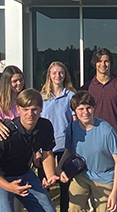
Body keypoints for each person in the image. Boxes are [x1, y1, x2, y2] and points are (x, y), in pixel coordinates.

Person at [0, 89, 59, 212]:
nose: (30, 114)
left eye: (34, 109)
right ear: (18, 110)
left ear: (41, 108)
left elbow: (47, 153)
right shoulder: (5, 133)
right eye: (25, 109)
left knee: (48, 210)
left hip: (25, 174)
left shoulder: (45, 126)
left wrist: (50, 176)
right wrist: (9, 187)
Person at [58, 91, 117, 212]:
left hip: (105, 176)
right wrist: (59, 168)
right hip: (81, 173)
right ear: (75, 111)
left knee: (106, 209)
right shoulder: (71, 128)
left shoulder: (106, 130)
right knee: (74, 208)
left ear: (93, 108)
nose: (85, 112)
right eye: (81, 109)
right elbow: (68, 150)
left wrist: (114, 192)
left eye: (88, 108)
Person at [41, 61, 77, 212]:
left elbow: (75, 121)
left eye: (60, 72)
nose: (58, 75)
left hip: (65, 146)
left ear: (65, 75)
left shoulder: (71, 96)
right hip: (46, 147)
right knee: (45, 185)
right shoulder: (42, 98)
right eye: (54, 73)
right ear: (49, 75)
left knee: (65, 186)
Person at [80, 48, 117, 141]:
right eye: (99, 61)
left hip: (114, 135)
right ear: (95, 64)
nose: (103, 64)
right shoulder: (87, 88)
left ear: (110, 63)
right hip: (92, 134)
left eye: (106, 61)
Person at [0, 65, 26, 138]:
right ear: (7, 83)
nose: (19, 83)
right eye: (15, 81)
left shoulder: (27, 100)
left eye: (21, 80)